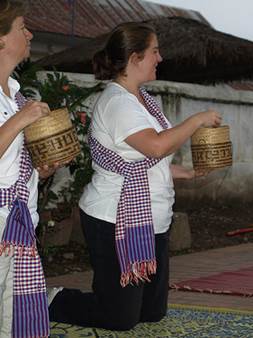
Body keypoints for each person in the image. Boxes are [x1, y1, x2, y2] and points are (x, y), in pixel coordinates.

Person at [48, 22, 222, 330]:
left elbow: (143, 161)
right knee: (119, 318)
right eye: (154, 51)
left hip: (151, 219)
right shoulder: (117, 102)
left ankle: (114, 297)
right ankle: (52, 299)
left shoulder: (144, 100)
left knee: (151, 313)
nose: (160, 57)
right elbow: (155, 147)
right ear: (134, 57)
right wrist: (196, 120)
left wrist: (186, 172)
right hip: (113, 217)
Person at [0, 1, 59, 337]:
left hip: (18, 222)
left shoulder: (16, 95)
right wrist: (25, 118)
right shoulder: (21, 107)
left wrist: (41, 170)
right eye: (22, 27)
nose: (30, 33)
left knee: (11, 320)